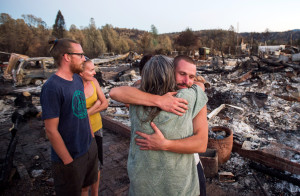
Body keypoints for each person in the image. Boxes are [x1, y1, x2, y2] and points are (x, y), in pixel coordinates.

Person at [109, 55, 208, 195]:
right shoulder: (190, 97)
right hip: (178, 184)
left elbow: (116, 92)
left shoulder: (136, 99)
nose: (187, 81)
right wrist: (159, 100)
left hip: (144, 184)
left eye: (192, 76)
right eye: (182, 74)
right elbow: (200, 86)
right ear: (170, 72)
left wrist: (164, 144)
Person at [40, 38, 98, 196]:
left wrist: (91, 137)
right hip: (70, 157)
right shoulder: (52, 87)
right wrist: (67, 160)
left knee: (85, 188)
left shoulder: (77, 79)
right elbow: (51, 131)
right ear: (67, 57)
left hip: (88, 147)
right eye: (80, 55)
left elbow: (82, 112)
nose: (84, 58)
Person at [79, 59, 108, 196]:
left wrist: (86, 113)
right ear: (80, 72)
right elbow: (74, 115)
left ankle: (95, 193)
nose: (94, 72)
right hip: (80, 131)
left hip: (97, 128)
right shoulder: (73, 87)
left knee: (97, 164)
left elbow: (105, 103)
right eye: (91, 70)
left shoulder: (94, 82)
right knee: (83, 167)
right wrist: (96, 105)